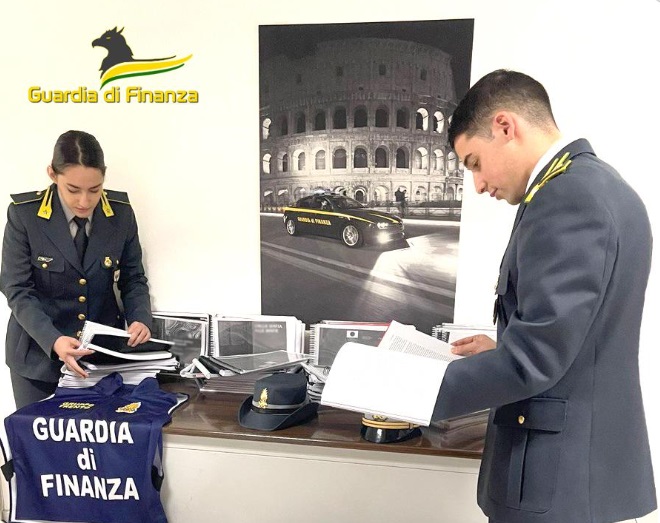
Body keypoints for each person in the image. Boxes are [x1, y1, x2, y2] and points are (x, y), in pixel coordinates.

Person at [432, 70, 656, 522]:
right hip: (577, 472)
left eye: (474, 163)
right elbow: (580, 341)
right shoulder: (596, 185)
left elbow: (533, 361)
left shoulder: (567, 197)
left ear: (504, 127)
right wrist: (503, 349)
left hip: (552, 478)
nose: (478, 184)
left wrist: (407, 389)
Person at [0, 130, 153, 409]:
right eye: (73, 190)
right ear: (52, 174)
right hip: (37, 359)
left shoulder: (120, 214)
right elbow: (17, 289)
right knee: (41, 435)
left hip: (99, 357)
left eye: (95, 189)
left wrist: (140, 318)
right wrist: (53, 340)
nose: (84, 201)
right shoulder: (25, 215)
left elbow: (133, 278)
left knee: (96, 434)